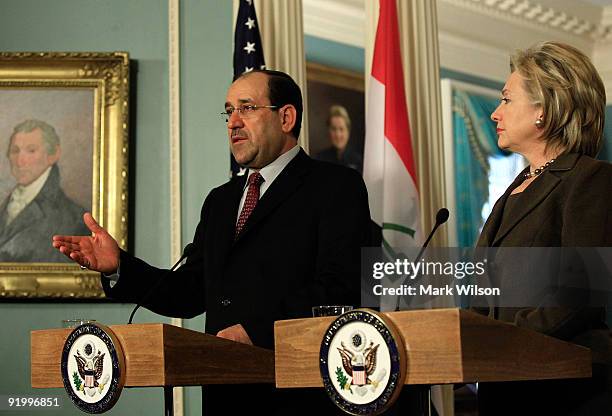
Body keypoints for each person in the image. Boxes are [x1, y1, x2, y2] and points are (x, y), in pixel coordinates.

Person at [53, 70, 371, 414]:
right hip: (224, 396)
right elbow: (191, 290)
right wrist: (120, 267)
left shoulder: (335, 186)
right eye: (228, 111)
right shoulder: (220, 201)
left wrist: (256, 331)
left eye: (246, 108)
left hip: (300, 395)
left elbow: (340, 288)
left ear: (286, 117)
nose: (232, 122)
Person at [477, 41, 612, 415]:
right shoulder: (513, 189)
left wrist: (498, 341)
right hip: (503, 383)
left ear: (544, 109)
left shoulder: (590, 179)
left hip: (563, 389)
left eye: (506, 100)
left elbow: (580, 293)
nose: (495, 114)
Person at [0, 119, 88, 262]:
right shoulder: (7, 203)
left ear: (53, 155)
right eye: (15, 151)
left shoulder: (75, 219)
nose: (20, 161)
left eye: (31, 150)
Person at [315, 105, 363, 173]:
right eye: (334, 129)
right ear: (328, 131)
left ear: (348, 132)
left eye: (341, 129)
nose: (338, 135)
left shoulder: (358, 161)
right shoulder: (319, 159)